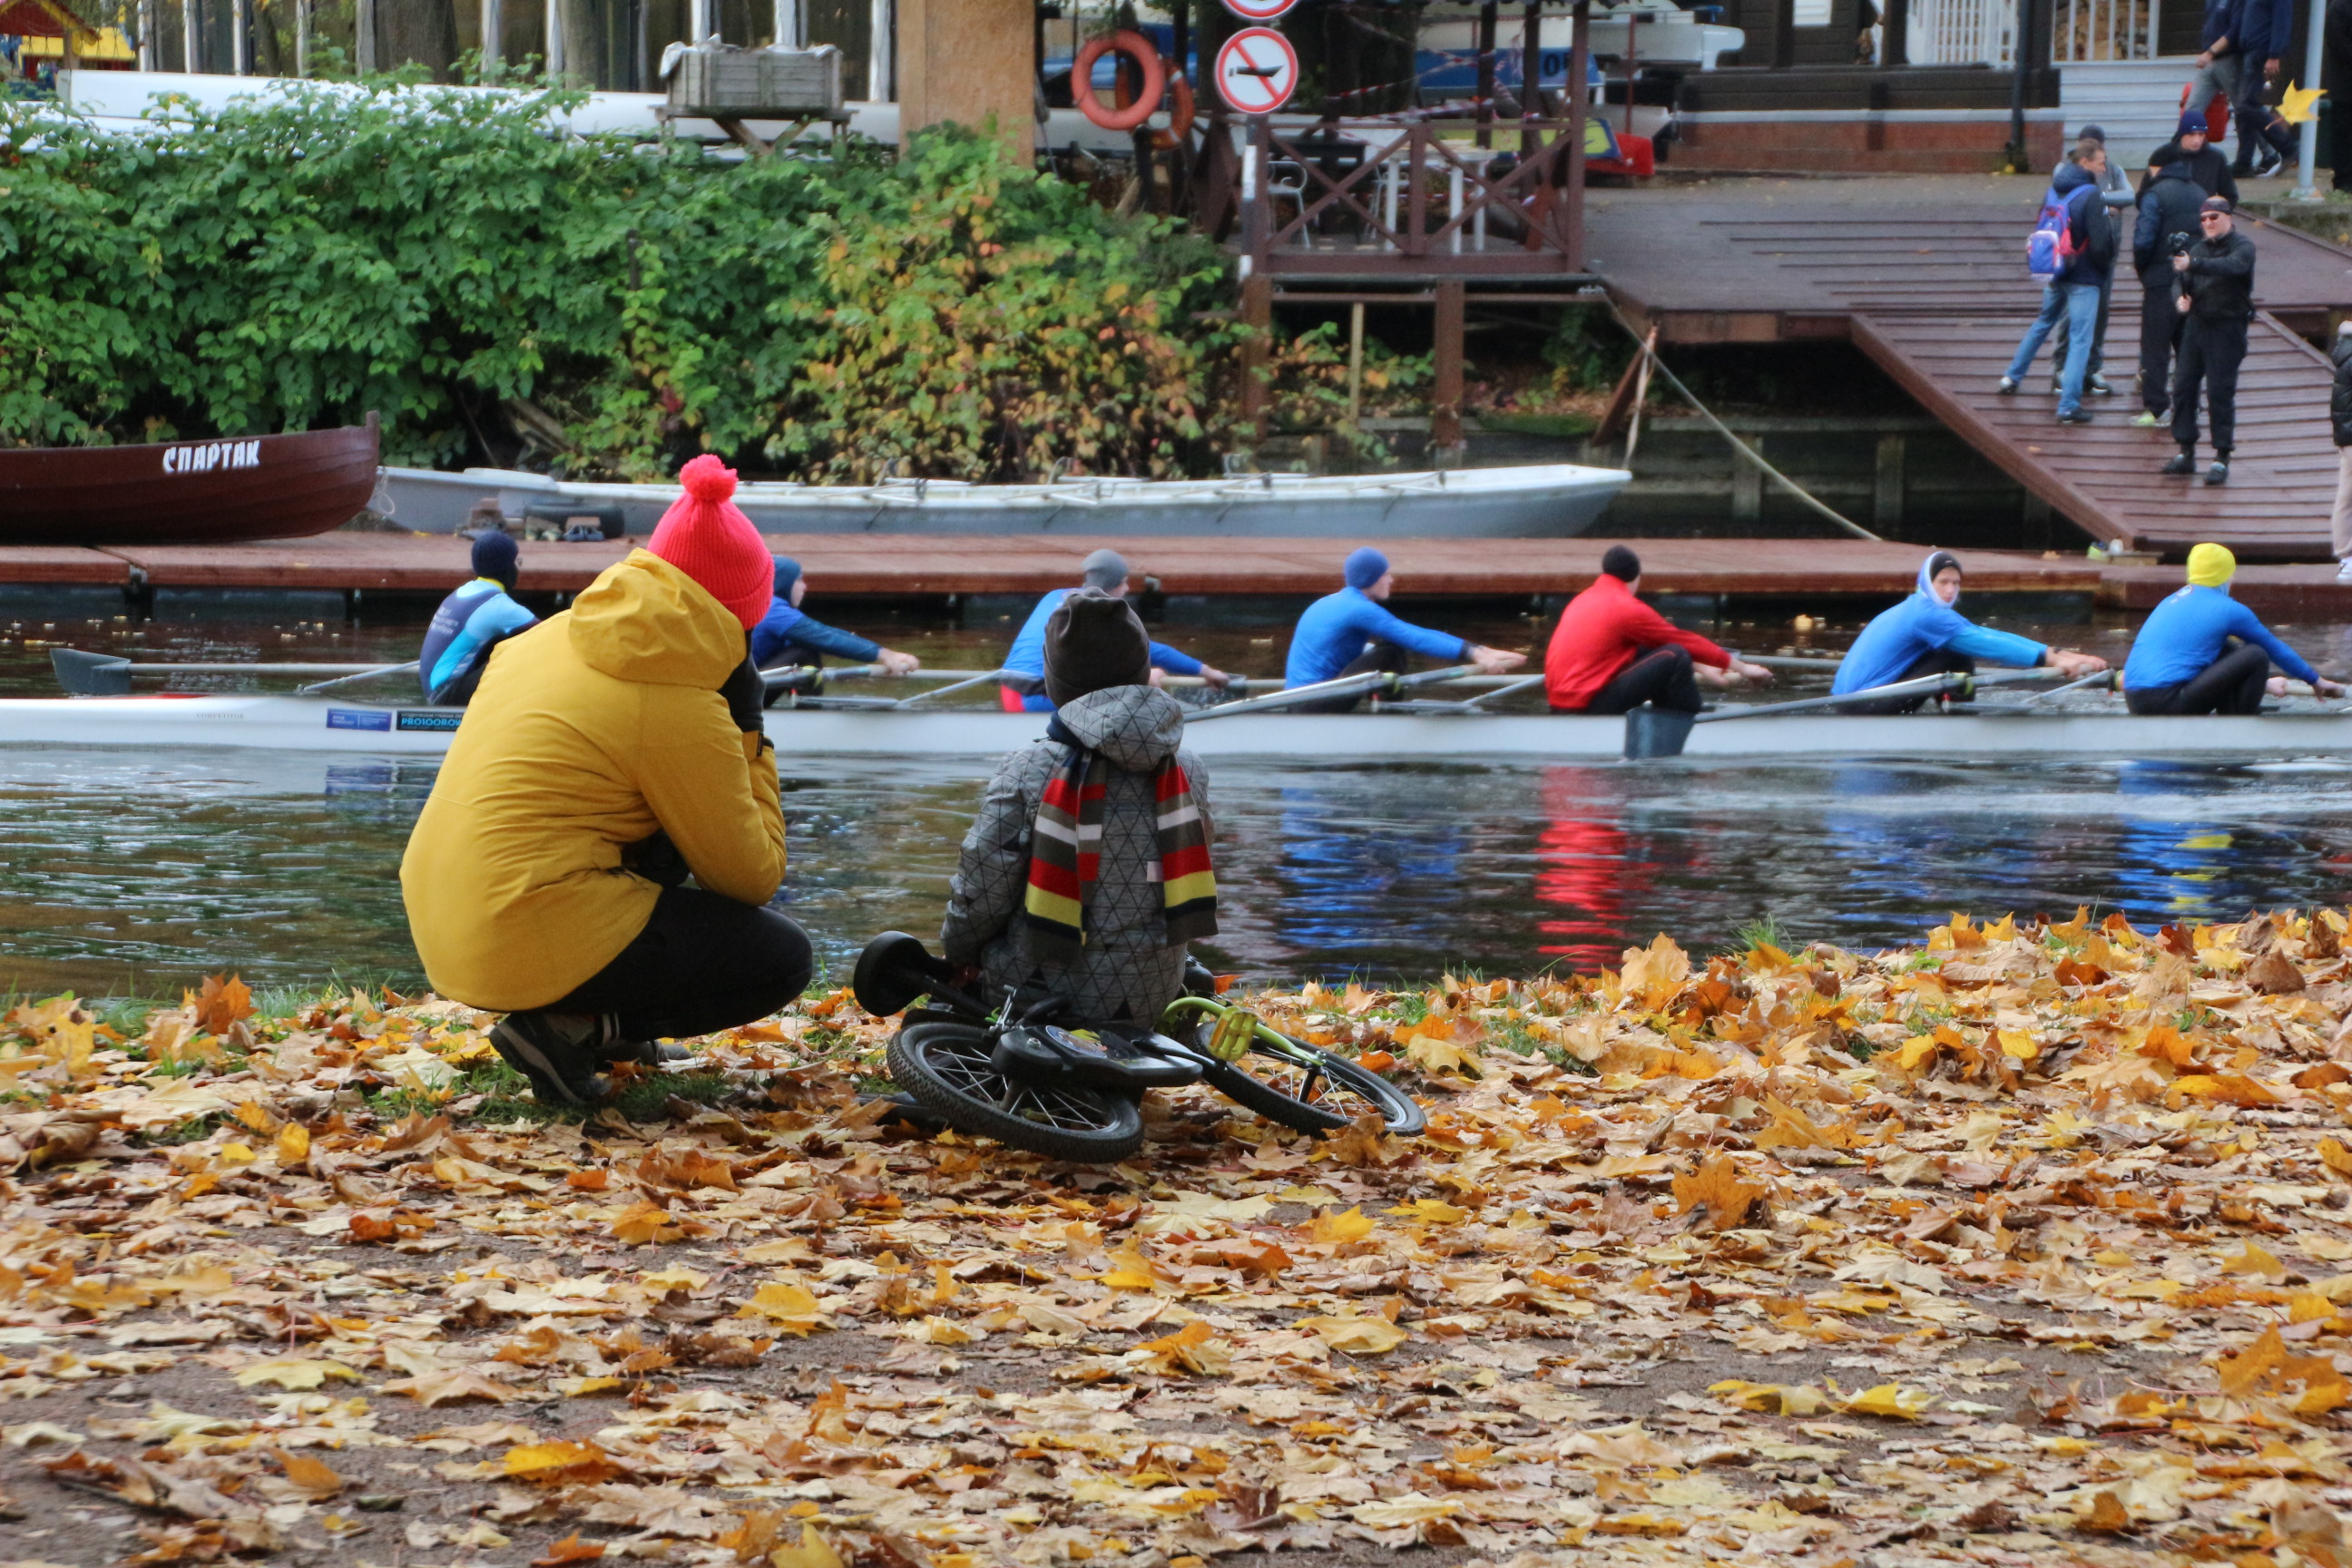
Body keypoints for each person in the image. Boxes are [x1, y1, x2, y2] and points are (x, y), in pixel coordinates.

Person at [399, 456, 808, 1105]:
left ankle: (608, 1028)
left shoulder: (538, 638)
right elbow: (752, 877)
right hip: (517, 929)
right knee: (781, 957)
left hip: (440, 914)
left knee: (655, 835)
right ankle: (568, 1027)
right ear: (739, 617)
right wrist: (749, 729)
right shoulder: (681, 701)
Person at [941, 589, 1217, 1029]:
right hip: (1153, 994)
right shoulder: (1188, 768)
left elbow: (983, 888)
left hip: (1035, 995)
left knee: (936, 1003)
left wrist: (957, 954)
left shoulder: (1030, 766)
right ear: (1143, 670)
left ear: (1056, 682)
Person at [1831, 551, 2109, 713]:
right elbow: (1987, 646)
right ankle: (1959, 724)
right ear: (1927, 582)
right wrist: (2053, 661)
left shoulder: (1921, 608)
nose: (1951, 590)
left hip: (1849, 699)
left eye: (1956, 583)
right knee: (1957, 658)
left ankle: (1950, 712)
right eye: (1943, 582)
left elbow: (1984, 633)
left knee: (1956, 650)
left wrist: (2061, 654)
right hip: (1862, 704)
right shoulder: (1925, 615)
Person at [1283, 547, 1526, 712]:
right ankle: (1393, 713)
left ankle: (1383, 701)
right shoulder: (1359, 609)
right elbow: (1413, 637)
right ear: (1371, 578)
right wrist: (1472, 654)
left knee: (1377, 649)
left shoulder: (1330, 602)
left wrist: (1478, 649)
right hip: (1312, 704)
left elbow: (1416, 631)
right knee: (1391, 651)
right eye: (1386, 574)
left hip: (1300, 700)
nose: (1391, 579)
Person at [1543, 545, 1775, 714]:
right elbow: (1683, 641)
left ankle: (1671, 713)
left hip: (1561, 704)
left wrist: (1704, 667)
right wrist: (1743, 668)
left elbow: (1650, 646)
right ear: (1636, 578)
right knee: (1675, 655)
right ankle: (1689, 721)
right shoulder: (1626, 608)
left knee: (1651, 647)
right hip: (1586, 707)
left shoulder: (1582, 599)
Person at [1000, 549, 1230, 713]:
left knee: (1132, 675)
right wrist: (1205, 671)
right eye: (1125, 582)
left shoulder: (1055, 595)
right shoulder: (1099, 611)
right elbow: (1149, 649)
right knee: (1144, 680)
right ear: (1112, 586)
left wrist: (1200, 670)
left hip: (1010, 691)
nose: (1128, 588)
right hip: (1034, 699)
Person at [2122, 543, 2344, 712]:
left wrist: (2263, 684)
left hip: (2135, 699)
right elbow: (2274, 649)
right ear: (2227, 576)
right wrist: (2315, 680)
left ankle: (2237, 703)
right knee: (2256, 654)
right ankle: (2237, 721)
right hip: (2169, 700)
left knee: (2223, 646)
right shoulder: (2229, 609)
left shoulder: (2171, 600)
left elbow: (2190, 663)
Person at [1998, 145, 2117, 425]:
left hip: (2054, 270)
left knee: (2044, 321)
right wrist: (2102, 270)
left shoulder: (2053, 190)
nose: (2104, 168)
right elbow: (2101, 245)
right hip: (2083, 277)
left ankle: (2011, 377)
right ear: (2086, 163)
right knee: (2079, 339)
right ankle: (2068, 406)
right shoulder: (2091, 196)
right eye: (2101, 163)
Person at [2164, 196, 2256, 486]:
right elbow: (2179, 279)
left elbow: (2233, 267)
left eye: (2214, 217)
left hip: (2227, 327)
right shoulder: (2197, 248)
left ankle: (2221, 455)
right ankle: (2186, 450)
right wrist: (2179, 297)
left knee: (2220, 391)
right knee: (2183, 387)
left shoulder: (2243, 246)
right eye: (2203, 219)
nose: (2208, 223)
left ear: (2229, 217)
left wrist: (2194, 263)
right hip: (2197, 324)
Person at [2047, 126, 2135, 398]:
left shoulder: (2113, 169)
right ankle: (2061, 369)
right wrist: (2101, 204)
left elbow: (2130, 196)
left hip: (2105, 251)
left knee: (2102, 310)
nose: (2101, 156)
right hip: (2075, 253)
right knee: (2069, 312)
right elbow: (2064, 197)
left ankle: (2093, 368)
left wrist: (2101, 200)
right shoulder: (2065, 170)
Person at [750, 555, 921, 677]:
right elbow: (825, 637)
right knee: (805, 651)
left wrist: (881, 652)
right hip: (736, 703)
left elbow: (827, 633)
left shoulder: (762, 604)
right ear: (783, 582)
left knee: (802, 646)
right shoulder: (772, 610)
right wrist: (885, 655)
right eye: (799, 579)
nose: (805, 587)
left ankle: (805, 709)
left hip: (737, 693)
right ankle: (812, 713)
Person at [418, 532, 536, 706]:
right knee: (527, 653)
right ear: (507, 567)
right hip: (447, 696)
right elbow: (552, 633)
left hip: (434, 691)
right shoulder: (497, 606)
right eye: (517, 562)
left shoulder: (461, 592)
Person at [2132, 159, 2206, 426]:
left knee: (2155, 347)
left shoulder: (2155, 194)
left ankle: (2157, 408)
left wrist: (2144, 269)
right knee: (2188, 348)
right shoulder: (2201, 193)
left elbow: (2143, 238)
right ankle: (2190, 407)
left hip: (2161, 281)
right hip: (2192, 281)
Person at [2218, 0, 2297, 176]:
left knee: (2247, 105)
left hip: (2261, 51)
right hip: (2250, 52)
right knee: (2243, 108)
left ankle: (2287, 147)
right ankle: (2244, 162)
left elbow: (2282, 20)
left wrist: (2274, 54)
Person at [2139, 111, 2239, 205]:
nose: (2197, 140)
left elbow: (2229, 194)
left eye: (2201, 134)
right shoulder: (2162, 155)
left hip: (2204, 217)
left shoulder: (2216, 158)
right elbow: (2146, 194)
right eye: (2191, 135)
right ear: (2182, 134)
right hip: (2170, 216)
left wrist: (2218, 215)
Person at [2331, 321, 2352, 579]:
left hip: (2346, 436)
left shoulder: (2345, 350)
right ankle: (2346, 556)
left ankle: (2346, 556)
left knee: (2346, 496)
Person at [2329, 0, 2352, 191]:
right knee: (2344, 133)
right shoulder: (2340, 7)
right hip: (2346, 85)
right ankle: (2344, 180)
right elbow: (2337, 45)